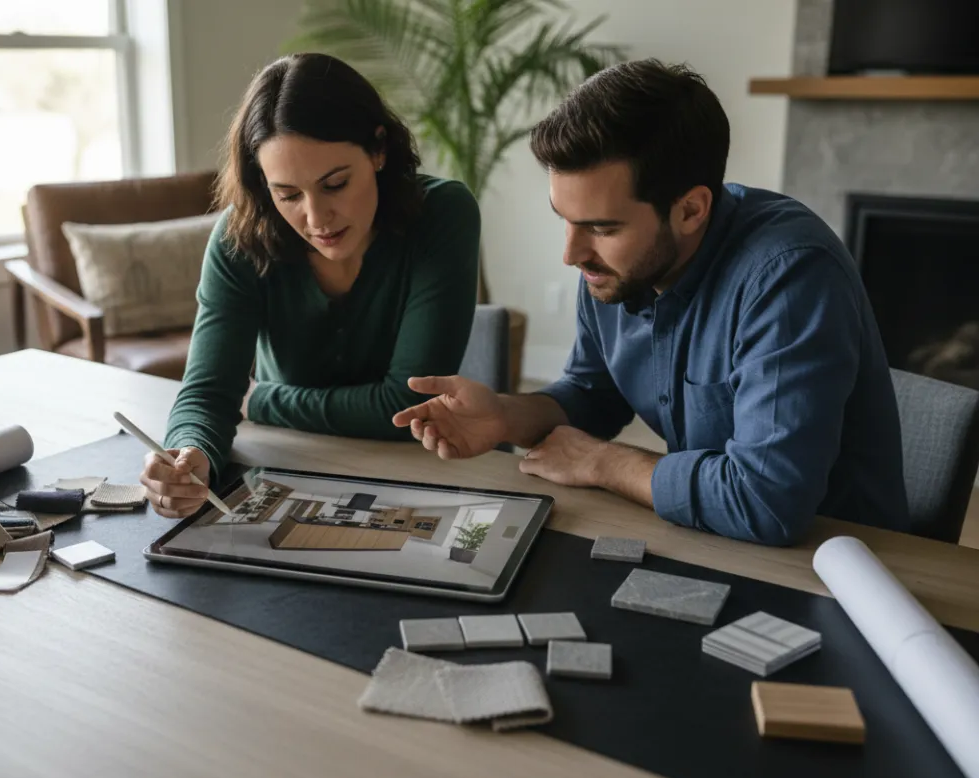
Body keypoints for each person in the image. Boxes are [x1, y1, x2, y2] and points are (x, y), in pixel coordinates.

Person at [393, 59, 910, 546]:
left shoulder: (789, 276)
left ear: (690, 209)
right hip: (713, 541)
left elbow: (768, 502)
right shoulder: (613, 264)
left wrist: (605, 463)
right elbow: (593, 392)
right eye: (565, 219)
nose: (571, 253)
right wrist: (505, 416)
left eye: (601, 227)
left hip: (844, 567)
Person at [141, 53, 480, 519]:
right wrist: (190, 453)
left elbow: (408, 407)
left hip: (418, 477)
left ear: (378, 149)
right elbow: (206, 395)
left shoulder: (443, 214)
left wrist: (262, 399)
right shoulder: (240, 237)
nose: (316, 219)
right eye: (288, 195)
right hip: (288, 465)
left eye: (335, 184)